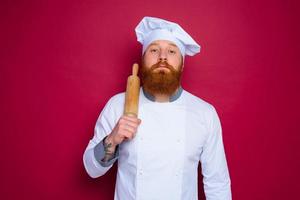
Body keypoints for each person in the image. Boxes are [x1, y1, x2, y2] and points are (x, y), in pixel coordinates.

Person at [83, 16, 232, 200]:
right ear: (143, 60)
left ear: (182, 63)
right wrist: (112, 140)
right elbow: (91, 169)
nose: (162, 57)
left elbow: (218, 183)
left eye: (171, 51)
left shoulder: (205, 113)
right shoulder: (117, 105)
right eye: (154, 50)